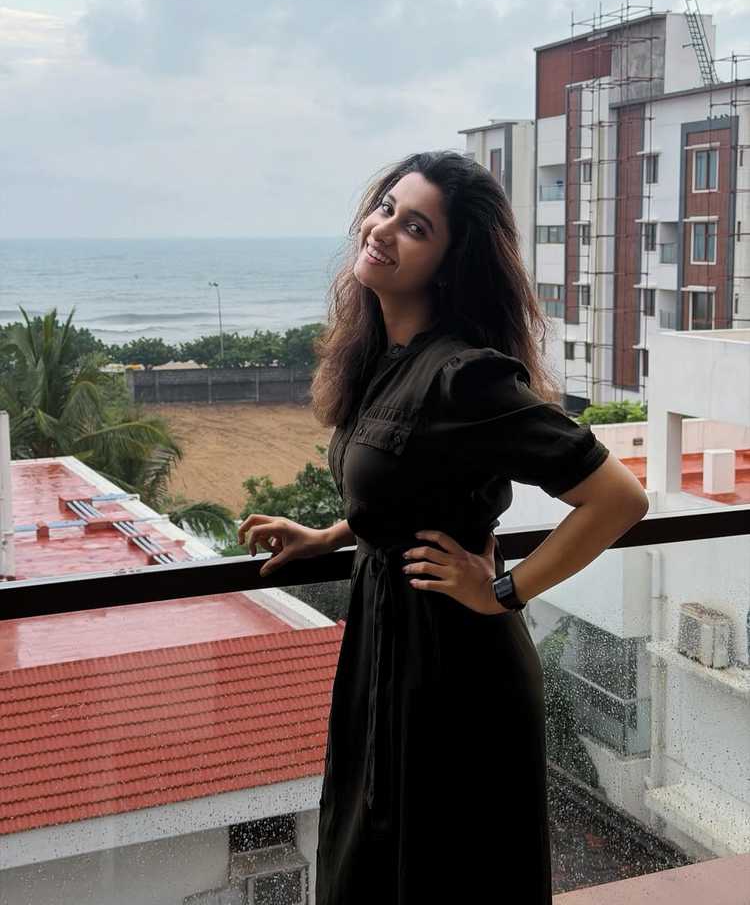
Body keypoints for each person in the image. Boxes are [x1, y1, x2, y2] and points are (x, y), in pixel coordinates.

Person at [238, 151, 649, 904]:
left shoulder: (468, 377)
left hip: (453, 667)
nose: (384, 229)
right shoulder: (386, 359)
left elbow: (618, 499)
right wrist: (332, 536)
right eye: (387, 207)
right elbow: (411, 485)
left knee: (440, 872)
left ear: (449, 263)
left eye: (416, 227)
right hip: (385, 647)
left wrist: (503, 591)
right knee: (376, 858)